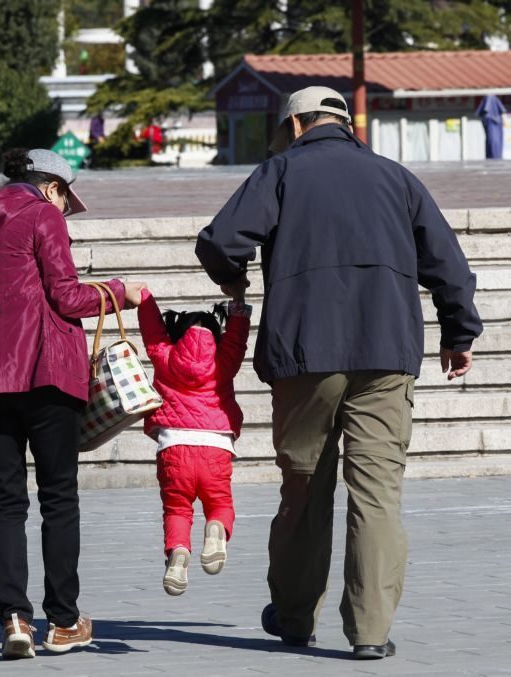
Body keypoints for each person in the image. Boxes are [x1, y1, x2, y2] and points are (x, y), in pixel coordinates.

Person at [195, 85, 483, 660]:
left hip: (306, 354)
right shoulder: (397, 178)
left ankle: (297, 617)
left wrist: (234, 279)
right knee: (377, 494)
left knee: (304, 487)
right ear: (345, 124)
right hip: (386, 352)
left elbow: (221, 241)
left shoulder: (280, 172)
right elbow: (449, 263)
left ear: (297, 126)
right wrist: (459, 333)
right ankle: (370, 632)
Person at [0, 147, 146, 660]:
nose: (64, 209)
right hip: (45, 375)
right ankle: (63, 622)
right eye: (65, 199)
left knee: (5, 501)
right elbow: (66, 296)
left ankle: (14, 619)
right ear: (53, 187)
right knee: (59, 497)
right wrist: (119, 293)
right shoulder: (42, 215)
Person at [136, 288, 250, 596]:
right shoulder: (223, 362)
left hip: (173, 448)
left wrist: (145, 298)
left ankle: (178, 553)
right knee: (220, 504)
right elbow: (237, 340)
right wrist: (238, 301)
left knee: (176, 509)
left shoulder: (165, 355)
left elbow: (152, 331)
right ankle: (215, 530)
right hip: (216, 448)